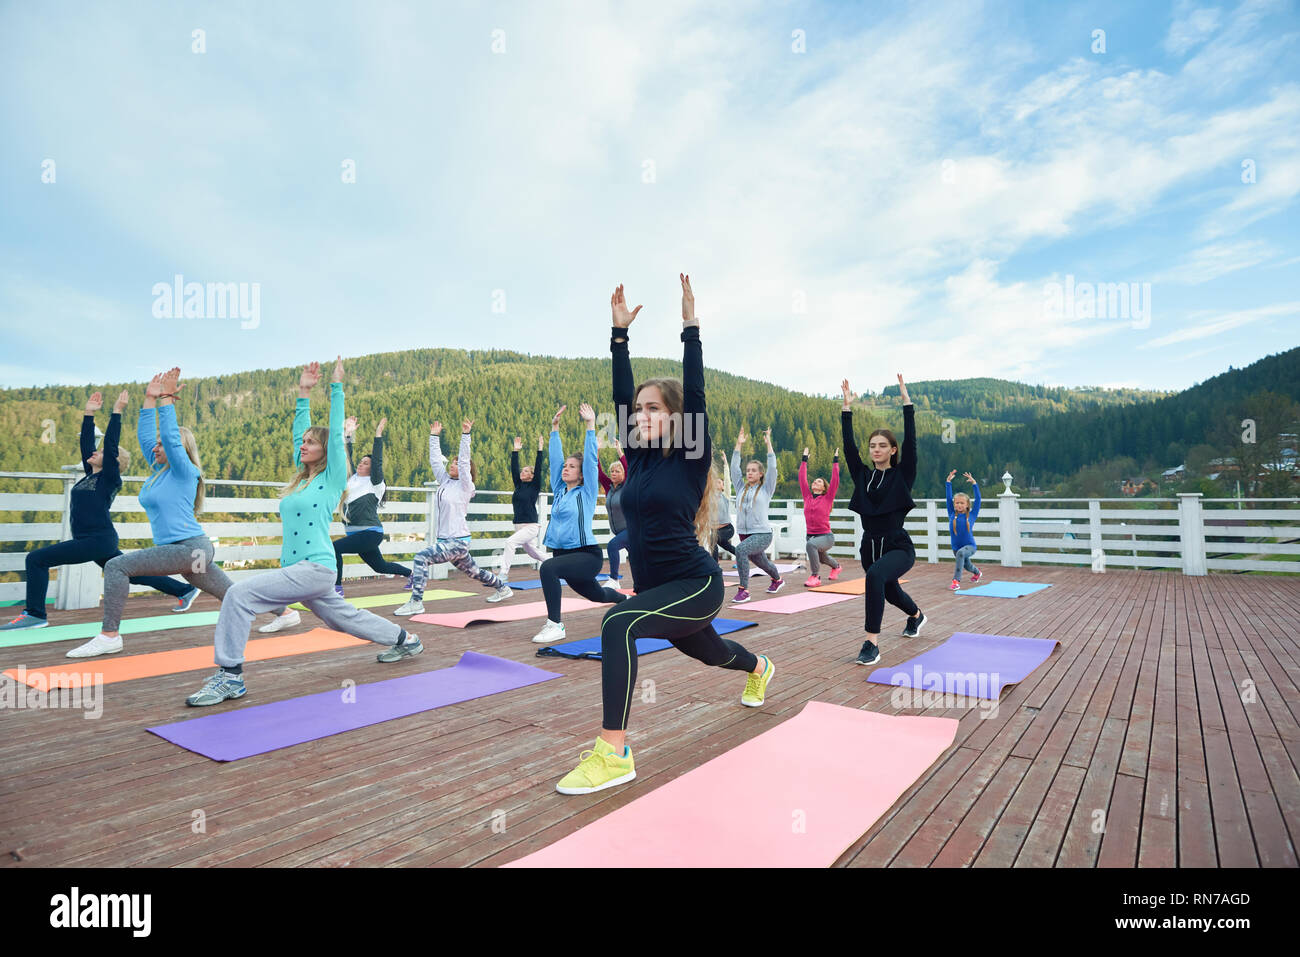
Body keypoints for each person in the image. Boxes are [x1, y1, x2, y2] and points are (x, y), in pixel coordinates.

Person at [555, 275, 773, 796]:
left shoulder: (691, 455)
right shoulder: (640, 460)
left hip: (697, 584)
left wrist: (690, 326)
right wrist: (618, 336)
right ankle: (760, 667)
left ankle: (614, 752)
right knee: (714, 655)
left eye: (656, 408)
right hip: (658, 591)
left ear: (676, 418)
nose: (643, 414)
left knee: (617, 625)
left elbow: (696, 393)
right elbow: (619, 396)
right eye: (640, 409)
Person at [186, 358, 421, 706]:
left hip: (315, 567)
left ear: (326, 449)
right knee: (343, 618)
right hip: (298, 569)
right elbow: (299, 432)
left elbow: (336, 426)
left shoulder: (332, 479)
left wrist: (337, 388)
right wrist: (303, 393)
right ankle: (406, 639)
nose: (304, 445)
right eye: (304, 442)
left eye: (311, 442)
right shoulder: (303, 480)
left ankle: (230, 676)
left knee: (238, 596)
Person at [65, 368, 235, 658]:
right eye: (156, 444)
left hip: (191, 548)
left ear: (179, 449)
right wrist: (149, 399)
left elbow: (169, 437)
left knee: (117, 566)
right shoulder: (159, 472)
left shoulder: (185, 471)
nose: (155, 447)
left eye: (162, 444)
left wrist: (167, 400)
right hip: (186, 553)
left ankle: (109, 635)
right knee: (233, 594)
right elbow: (148, 436)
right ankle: (282, 613)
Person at [0, 390, 193, 632]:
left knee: (36, 559)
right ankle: (184, 589)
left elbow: (111, 446)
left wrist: (117, 412)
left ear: (112, 461)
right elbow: (87, 444)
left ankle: (35, 614)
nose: (95, 453)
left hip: (97, 540)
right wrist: (89, 413)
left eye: (100, 453)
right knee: (131, 573)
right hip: (94, 540)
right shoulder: (91, 475)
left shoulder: (110, 479)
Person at [257, 414, 413, 633]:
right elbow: (345, 458)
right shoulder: (350, 481)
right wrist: (349, 435)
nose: (362, 463)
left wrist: (378, 436)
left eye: (366, 463)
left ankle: (337, 588)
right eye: (361, 461)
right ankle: (411, 574)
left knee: (333, 548)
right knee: (380, 566)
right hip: (357, 534)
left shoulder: (375, 484)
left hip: (370, 532)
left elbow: (377, 461)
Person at [841, 375, 926, 666]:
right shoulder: (863, 476)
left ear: (892, 450)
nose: (875, 449)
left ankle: (871, 643)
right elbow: (849, 447)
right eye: (872, 446)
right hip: (870, 547)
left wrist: (907, 403)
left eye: (882, 445)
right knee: (890, 592)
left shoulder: (903, 475)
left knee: (876, 577)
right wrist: (846, 410)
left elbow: (912, 442)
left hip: (897, 545)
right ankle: (916, 616)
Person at [529, 404, 627, 645]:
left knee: (547, 568)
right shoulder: (560, 490)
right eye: (566, 466)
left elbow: (591, 457)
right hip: (564, 554)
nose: (565, 468)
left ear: (582, 474)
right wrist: (554, 429)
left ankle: (555, 625)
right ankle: (625, 602)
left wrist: (590, 427)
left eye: (571, 467)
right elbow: (555, 460)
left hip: (586, 555)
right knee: (598, 594)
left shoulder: (588, 491)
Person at [393, 419, 511, 616]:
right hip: (450, 541)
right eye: (453, 463)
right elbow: (435, 461)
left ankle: (416, 602)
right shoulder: (445, 482)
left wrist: (466, 436)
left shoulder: (466, 486)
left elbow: (465, 462)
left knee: (421, 558)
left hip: (457, 541)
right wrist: (434, 437)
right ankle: (502, 588)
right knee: (474, 572)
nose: (454, 466)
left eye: (457, 464)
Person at [728, 426, 785, 602]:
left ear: (761, 474)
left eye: (753, 470)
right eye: (748, 470)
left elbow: (773, 467)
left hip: (762, 533)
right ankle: (777, 579)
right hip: (745, 533)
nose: (749, 473)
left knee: (740, 550)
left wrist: (769, 445)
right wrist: (738, 444)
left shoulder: (766, 489)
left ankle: (744, 590)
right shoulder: (740, 488)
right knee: (763, 563)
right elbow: (734, 468)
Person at [494, 435, 547, 585]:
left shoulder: (534, 486)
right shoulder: (518, 485)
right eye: (522, 471)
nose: (522, 473)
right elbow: (513, 468)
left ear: (531, 475)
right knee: (532, 552)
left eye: (525, 471)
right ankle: (555, 564)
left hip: (530, 526)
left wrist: (540, 449)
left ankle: (503, 574)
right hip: (518, 525)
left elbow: (539, 467)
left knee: (510, 543)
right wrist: (515, 451)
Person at [800, 446, 842, 587]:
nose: (815, 482)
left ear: (824, 488)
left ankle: (815, 576)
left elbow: (835, 479)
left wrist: (835, 461)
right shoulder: (807, 497)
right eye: (814, 481)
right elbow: (802, 478)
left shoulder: (828, 498)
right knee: (823, 559)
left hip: (826, 537)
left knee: (811, 545)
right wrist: (804, 460)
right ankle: (836, 567)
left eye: (819, 481)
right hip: (811, 535)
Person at [597, 432, 630, 583]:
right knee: (638, 561)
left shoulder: (628, 486)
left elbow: (628, 468)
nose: (614, 473)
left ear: (623, 474)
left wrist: (619, 451)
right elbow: (598, 472)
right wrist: (596, 450)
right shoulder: (609, 488)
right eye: (612, 471)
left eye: (617, 471)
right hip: (619, 531)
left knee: (612, 546)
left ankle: (614, 580)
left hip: (631, 529)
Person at [946, 470, 982, 590]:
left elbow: (978, 500)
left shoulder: (971, 515)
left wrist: (974, 484)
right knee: (968, 566)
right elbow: (948, 498)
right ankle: (977, 573)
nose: (959, 505)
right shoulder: (951, 513)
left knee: (962, 554)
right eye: (957, 503)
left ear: (967, 505)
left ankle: (956, 581)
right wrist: (948, 482)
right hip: (956, 549)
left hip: (970, 546)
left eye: (962, 503)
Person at [710, 470, 735, 562]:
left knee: (712, 540)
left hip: (727, 529)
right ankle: (742, 556)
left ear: (723, 486)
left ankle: (715, 566)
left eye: (719, 482)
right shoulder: (709, 496)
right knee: (727, 546)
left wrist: (725, 464)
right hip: (715, 530)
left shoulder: (725, 495)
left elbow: (727, 480)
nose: (716, 483)